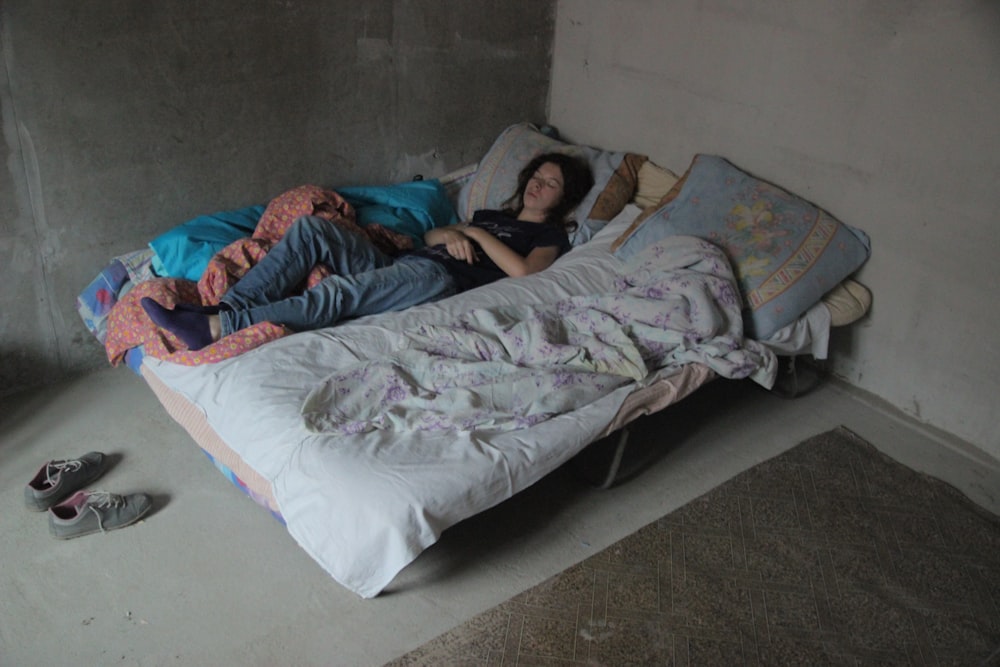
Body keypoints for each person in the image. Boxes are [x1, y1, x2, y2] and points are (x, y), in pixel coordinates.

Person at [141, 152, 595, 351]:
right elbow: (435, 235)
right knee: (311, 230)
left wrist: (473, 237)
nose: (539, 185)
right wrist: (454, 233)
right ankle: (227, 306)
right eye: (538, 175)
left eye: (551, 183)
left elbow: (522, 274)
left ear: (563, 196)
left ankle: (221, 328)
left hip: (439, 282)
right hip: (411, 261)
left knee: (340, 293)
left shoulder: (548, 237)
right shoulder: (493, 213)